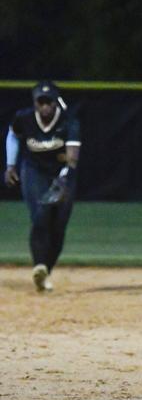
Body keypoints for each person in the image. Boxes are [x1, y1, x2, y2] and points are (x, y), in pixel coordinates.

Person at [4, 80, 80, 292]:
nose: (45, 106)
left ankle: (45, 271)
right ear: (35, 102)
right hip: (34, 171)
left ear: (56, 102)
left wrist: (64, 178)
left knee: (59, 225)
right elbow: (13, 135)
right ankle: (39, 264)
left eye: (49, 102)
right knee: (40, 214)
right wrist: (10, 165)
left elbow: (72, 158)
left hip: (63, 173)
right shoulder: (25, 117)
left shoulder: (68, 121)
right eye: (41, 102)